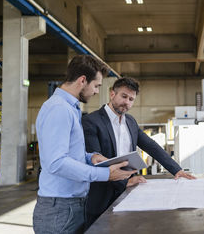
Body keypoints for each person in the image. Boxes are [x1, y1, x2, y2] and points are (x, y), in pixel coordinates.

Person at [33, 55, 137, 234]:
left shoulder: (70, 108)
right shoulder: (59, 109)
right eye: (96, 85)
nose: (97, 91)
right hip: (60, 209)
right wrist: (105, 174)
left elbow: (69, 154)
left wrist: (91, 157)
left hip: (70, 205)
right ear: (82, 80)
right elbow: (56, 162)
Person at [82, 77, 195, 228]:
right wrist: (125, 182)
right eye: (124, 96)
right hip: (102, 198)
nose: (127, 102)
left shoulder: (130, 122)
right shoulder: (91, 121)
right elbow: (97, 163)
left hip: (128, 192)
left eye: (131, 99)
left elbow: (151, 146)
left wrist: (176, 169)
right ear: (112, 94)